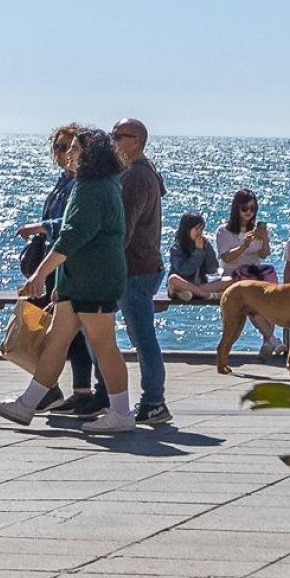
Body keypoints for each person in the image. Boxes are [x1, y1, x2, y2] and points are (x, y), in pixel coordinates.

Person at [0, 129, 137, 433]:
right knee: (57, 339)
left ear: (89, 155)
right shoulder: (94, 185)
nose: (68, 154)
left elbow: (72, 236)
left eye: (74, 149)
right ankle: (27, 405)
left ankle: (121, 412)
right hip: (80, 279)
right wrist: (60, 283)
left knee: (104, 344)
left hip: (94, 279)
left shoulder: (92, 188)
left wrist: (40, 274)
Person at [17, 125, 89, 414]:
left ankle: (79, 392)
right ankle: (52, 389)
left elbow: (70, 226)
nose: (61, 153)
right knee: (50, 330)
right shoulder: (63, 182)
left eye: (67, 147)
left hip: (65, 266)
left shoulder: (81, 185)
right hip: (50, 264)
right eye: (58, 147)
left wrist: (39, 227)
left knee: (75, 334)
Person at [113, 118, 169, 425]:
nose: (114, 140)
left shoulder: (136, 175)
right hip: (143, 265)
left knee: (142, 336)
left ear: (136, 141)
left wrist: (109, 258)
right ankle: (147, 399)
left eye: (118, 136)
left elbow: (125, 227)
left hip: (136, 268)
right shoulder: (143, 172)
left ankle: (154, 400)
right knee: (140, 334)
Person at [215, 188, 280, 354]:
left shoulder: (258, 231)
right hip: (233, 278)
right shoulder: (224, 231)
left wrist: (264, 237)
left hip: (253, 277)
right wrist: (243, 245)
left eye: (253, 209)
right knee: (240, 320)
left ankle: (269, 340)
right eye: (245, 208)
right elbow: (226, 257)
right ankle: (271, 339)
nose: (249, 212)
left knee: (262, 300)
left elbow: (264, 254)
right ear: (236, 208)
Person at [166, 214, 224, 301]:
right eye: (196, 229)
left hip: (199, 286)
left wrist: (207, 249)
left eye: (201, 229)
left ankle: (189, 293)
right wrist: (198, 252)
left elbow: (212, 269)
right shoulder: (177, 248)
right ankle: (206, 295)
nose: (199, 232)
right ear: (187, 230)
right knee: (173, 279)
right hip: (180, 286)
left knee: (228, 279)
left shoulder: (204, 245)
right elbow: (185, 271)